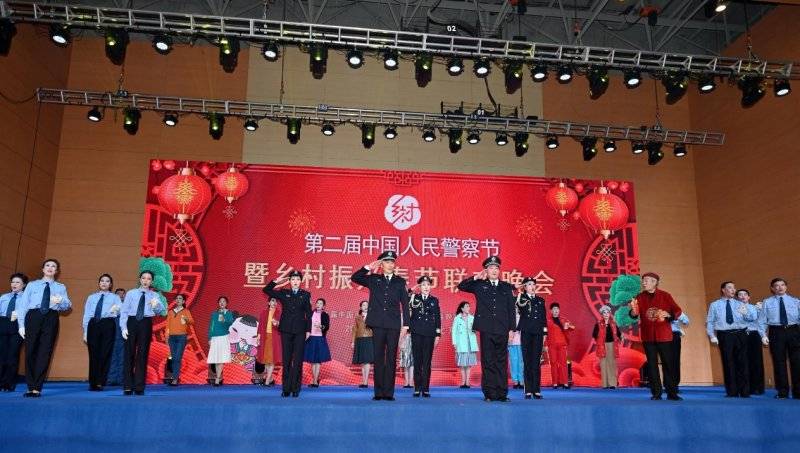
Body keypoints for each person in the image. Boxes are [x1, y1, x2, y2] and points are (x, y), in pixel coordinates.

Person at [351, 251, 409, 401]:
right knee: (378, 357)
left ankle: (389, 393)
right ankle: (378, 392)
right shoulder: (374, 279)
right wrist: (368, 267)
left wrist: (406, 325)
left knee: (391, 358)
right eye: (387, 261)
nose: (390, 264)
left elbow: (405, 304)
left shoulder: (400, 281)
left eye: (392, 262)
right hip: (377, 324)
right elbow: (355, 278)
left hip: (393, 325)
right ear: (381, 264)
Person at [457, 256, 515, 402]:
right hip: (486, 329)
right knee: (488, 361)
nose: (494, 270)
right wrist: (476, 277)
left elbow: (511, 310)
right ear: (486, 270)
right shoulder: (479, 285)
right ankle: (489, 393)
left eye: (496, 268)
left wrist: (512, 330)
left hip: (502, 329)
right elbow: (461, 286)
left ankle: (502, 393)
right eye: (491, 268)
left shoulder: (506, 287)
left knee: (501, 362)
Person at [17, 259, 72, 397]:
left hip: (51, 318)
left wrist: (61, 301)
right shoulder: (32, 285)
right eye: (47, 265)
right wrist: (21, 325)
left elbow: (67, 306)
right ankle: (30, 386)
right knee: (30, 351)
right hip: (33, 316)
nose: (50, 268)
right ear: (43, 269)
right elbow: (23, 305)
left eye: (53, 266)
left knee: (45, 352)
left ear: (56, 271)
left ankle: (37, 387)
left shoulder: (60, 287)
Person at [629, 272, 684, 401]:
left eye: (646, 280)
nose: (644, 283)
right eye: (643, 280)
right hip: (648, 336)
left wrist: (668, 315)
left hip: (664, 335)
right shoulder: (639, 297)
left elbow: (677, 310)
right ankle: (656, 392)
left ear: (655, 282)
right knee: (652, 365)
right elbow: (633, 315)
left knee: (668, 364)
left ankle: (672, 392)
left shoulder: (665, 295)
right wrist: (633, 311)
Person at [264, 269, 312, 398]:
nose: (295, 281)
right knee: (286, 360)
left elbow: (309, 314)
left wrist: (308, 330)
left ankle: (296, 388)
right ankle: (286, 388)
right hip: (286, 330)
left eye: (298, 279)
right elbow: (266, 290)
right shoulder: (284, 293)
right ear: (290, 281)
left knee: (298, 361)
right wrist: (276, 281)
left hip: (300, 331)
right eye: (293, 279)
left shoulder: (305, 295)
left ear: (301, 281)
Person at [706, 281, 757, 398]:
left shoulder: (740, 304)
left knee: (743, 362)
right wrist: (712, 335)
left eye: (734, 288)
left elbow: (751, 318)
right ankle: (732, 391)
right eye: (730, 288)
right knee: (728, 362)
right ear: (723, 290)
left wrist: (747, 312)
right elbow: (710, 321)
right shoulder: (715, 305)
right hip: (725, 335)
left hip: (740, 334)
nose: (733, 290)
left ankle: (744, 391)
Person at [120, 270, 165, 396]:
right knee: (128, 354)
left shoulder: (154, 295)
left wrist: (156, 305)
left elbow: (160, 311)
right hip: (132, 321)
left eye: (149, 279)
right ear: (140, 279)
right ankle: (128, 386)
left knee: (142, 354)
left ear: (152, 281)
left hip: (145, 322)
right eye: (144, 278)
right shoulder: (131, 293)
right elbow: (124, 311)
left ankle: (139, 386)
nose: (146, 281)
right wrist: (123, 327)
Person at [758, 278, 800, 399]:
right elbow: (762, 321)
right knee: (779, 362)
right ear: (772, 288)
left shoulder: (796, 301)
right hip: (776, 332)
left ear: (786, 287)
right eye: (776, 285)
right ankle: (782, 392)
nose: (780, 287)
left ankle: (798, 391)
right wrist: (763, 335)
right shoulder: (767, 302)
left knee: (797, 362)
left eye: (782, 285)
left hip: (794, 331)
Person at [82, 273, 122, 391]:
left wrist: (116, 310)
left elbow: (121, 310)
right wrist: (85, 331)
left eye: (107, 281)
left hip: (108, 324)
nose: (104, 283)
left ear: (110, 284)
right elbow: (86, 314)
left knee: (105, 353)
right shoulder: (91, 297)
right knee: (93, 354)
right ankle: (92, 382)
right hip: (93, 324)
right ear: (99, 283)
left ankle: (100, 382)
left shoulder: (115, 297)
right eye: (102, 281)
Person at [408, 275, 441, 397]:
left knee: (427, 361)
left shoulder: (434, 300)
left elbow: (437, 317)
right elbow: (403, 297)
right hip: (416, 333)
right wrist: (412, 289)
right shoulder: (414, 298)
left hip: (429, 334)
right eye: (423, 285)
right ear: (420, 287)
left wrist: (438, 334)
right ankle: (417, 388)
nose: (426, 287)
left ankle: (425, 388)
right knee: (417, 361)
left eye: (428, 285)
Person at [515, 276, 546, 399]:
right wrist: (520, 294)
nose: (532, 287)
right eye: (529, 284)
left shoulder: (540, 300)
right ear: (525, 287)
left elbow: (543, 318)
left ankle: (536, 390)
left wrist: (545, 333)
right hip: (526, 332)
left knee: (536, 362)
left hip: (538, 333)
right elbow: (520, 306)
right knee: (527, 361)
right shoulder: (521, 299)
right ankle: (528, 390)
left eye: (533, 284)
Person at [0, 273, 28, 392]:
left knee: (12, 355)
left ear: (24, 285)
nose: (14, 284)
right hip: (2, 323)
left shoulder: (26, 298)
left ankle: (8, 383)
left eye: (17, 282)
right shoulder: (3, 297)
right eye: (12, 282)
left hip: (17, 326)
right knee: (1, 355)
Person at [737, 288, 765, 395]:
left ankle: (758, 387)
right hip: (740, 334)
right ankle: (744, 387)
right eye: (740, 295)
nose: (743, 296)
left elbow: (759, 320)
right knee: (742, 361)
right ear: (737, 298)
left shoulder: (756, 308)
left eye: (745, 294)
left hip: (754, 334)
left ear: (749, 297)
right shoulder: (734, 309)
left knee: (756, 361)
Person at [166, 294, 194, 386]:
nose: (178, 300)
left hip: (181, 337)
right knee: (173, 358)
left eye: (180, 298)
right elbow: (167, 325)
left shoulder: (186, 311)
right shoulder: (171, 312)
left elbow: (192, 322)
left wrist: (186, 319)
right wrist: (167, 336)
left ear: (183, 301)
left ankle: (175, 378)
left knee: (177, 357)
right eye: (177, 298)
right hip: (172, 337)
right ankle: (175, 377)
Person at [546, 302, 575, 389]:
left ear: (559, 310)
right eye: (554, 309)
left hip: (562, 344)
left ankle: (564, 382)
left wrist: (567, 326)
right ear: (551, 311)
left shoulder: (563, 319)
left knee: (563, 363)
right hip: (552, 345)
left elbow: (573, 327)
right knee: (553, 363)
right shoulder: (547, 321)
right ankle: (555, 382)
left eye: (557, 309)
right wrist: (545, 345)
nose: (556, 311)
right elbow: (545, 334)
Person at [593, 305, 622, 389]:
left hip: (612, 345)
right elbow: (594, 334)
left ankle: (612, 384)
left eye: (607, 312)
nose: (606, 314)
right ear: (602, 314)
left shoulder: (613, 324)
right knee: (603, 364)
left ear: (610, 314)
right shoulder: (598, 324)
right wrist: (599, 341)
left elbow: (618, 334)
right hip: (602, 346)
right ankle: (605, 384)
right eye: (604, 313)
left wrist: (620, 338)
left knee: (612, 364)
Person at [207, 296, 234, 387]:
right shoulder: (214, 314)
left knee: (221, 358)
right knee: (216, 358)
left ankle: (218, 378)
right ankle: (218, 377)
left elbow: (230, 323)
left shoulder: (228, 313)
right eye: (220, 301)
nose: (222, 303)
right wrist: (210, 337)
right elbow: (211, 326)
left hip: (224, 337)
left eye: (224, 301)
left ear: (226, 303)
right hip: (215, 338)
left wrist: (224, 319)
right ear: (218, 303)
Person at [304, 298, 331, 387]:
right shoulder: (311, 313)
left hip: (320, 338)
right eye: (317, 303)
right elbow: (306, 324)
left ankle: (315, 381)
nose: (318, 304)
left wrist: (320, 326)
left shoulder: (325, 315)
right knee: (312, 361)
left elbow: (326, 327)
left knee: (318, 361)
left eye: (321, 303)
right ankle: (314, 379)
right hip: (311, 338)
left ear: (323, 306)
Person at [451, 301, 478, 389]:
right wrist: (454, 343)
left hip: (470, 343)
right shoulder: (457, 318)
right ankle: (463, 382)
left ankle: (467, 382)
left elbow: (476, 329)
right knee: (462, 364)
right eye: (466, 306)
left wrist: (474, 329)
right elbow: (454, 331)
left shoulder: (472, 318)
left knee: (469, 364)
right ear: (462, 308)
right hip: (461, 344)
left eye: (469, 306)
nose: (468, 308)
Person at [256, 297, 281, 386]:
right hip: (265, 337)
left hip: (274, 338)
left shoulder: (279, 313)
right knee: (266, 359)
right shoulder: (263, 313)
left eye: (276, 301)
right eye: (272, 301)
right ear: (269, 302)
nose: (274, 303)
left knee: (272, 359)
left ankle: (267, 381)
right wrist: (258, 336)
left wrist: (277, 323)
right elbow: (260, 326)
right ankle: (270, 379)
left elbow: (283, 325)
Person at [107, 287, 127, 386]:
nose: (121, 295)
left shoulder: (127, 308)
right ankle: (111, 379)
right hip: (112, 336)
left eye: (123, 294)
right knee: (112, 357)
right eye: (119, 293)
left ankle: (121, 379)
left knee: (123, 358)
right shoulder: (111, 307)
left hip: (123, 337)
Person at [351, 300, 373, 388]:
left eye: (367, 305)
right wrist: (353, 341)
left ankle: (366, 382)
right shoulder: (357, 317)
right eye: (363, 305)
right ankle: (363, 381)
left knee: (367, 361)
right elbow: (354, 330)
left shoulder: (372, 316)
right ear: (360, 307)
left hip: (369, 339)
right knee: (362, 362)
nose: (365, 306)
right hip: (360, 339)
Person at [670, 311, 690, 388]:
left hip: (674, 335)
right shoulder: (660, 311)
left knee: (675, 359)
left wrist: (677, 316)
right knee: (666, 360)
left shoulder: (676, 310)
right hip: (663, 335)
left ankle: (675, 384)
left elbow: (686, 321)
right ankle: (668, 383)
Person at [508, 309, 523, 390]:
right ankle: (515, 381)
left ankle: (521, 380)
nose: (515, 309)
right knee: (513, 362)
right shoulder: (509, 317)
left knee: (521, 362)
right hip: (511, 342)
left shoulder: (523, 317)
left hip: (521, 342)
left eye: (516, 307)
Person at [399, 324, 413, 389]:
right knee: (405, 362)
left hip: (413, 339)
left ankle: (411, 382)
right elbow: (402, 330)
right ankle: (406, 382)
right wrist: (400, 342)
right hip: (405, 339)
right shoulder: (404, 319)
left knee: (412, 363)